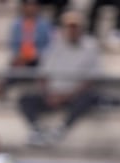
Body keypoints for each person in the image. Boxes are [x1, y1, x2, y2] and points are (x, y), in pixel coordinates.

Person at [18, 10, 100, 148]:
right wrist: (48, 93)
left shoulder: (90, 46)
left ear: (81, 28)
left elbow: (91, 79)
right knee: (25, 99)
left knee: (89, 97)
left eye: (75, 27)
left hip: (73, 95)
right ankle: (37, 130)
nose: (72, 30)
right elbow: (42, 74)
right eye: (69, 27)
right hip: (52, 93)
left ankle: (61, 129)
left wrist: (67, 96)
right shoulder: (54, 45)